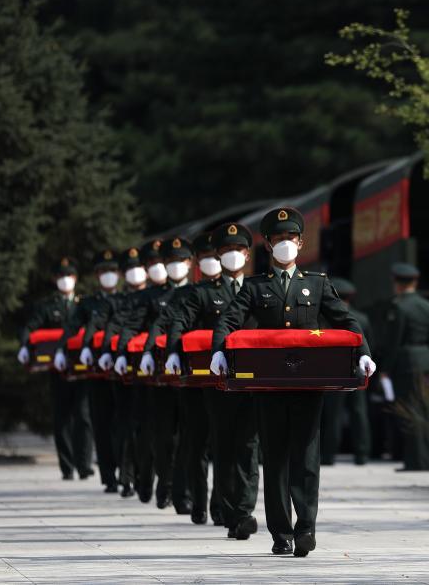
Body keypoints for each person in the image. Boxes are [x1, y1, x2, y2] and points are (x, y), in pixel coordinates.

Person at [210, 207, 376, 557]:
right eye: (278, 238)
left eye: (291, 237)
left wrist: (362, 352)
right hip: (268, 385)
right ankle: (281, 532)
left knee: (306, 457)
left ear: (301, 243)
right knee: (275, 459)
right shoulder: (255, 287)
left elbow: (346, 320)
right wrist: (219, 351)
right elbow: (229, 321)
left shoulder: (317, 283)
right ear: (269, 245)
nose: (285, 243)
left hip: (307, 383)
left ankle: (306, 528)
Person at [168, 223, 260, 538]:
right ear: (219, 256)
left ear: (247, 254)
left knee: (249, 445)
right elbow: (180, 322)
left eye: (238, 249)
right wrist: (174, 351)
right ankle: (225, 507)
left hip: (252, 379)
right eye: (226, 250)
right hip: (216, 381)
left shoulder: (257, 288)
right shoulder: (203, 292)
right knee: (221, 444)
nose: (232, 255)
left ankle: (243, 510)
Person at [17, 256, 94, 481]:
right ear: (54, 279)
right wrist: (25, 345)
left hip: (81, 369)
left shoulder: (84, 304)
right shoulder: (47, 306)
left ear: (76, 278)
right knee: (62, 418)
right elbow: (30, 327)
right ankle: (67, 467)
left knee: (83, 417)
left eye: (69, 275)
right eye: (61, 276)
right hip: (57, 369)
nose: (65, 279)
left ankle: (84, 465)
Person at [135, 237, 195, 515]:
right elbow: (154, 327)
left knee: (189, 436)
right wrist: (147, 352)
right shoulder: (155, 296)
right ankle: (165, 485)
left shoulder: (197, 292)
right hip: (161, 375)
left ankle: (183, 492)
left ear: (189, 263)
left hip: (189, 375)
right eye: (169, 261)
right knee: (163, 436)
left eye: (179, 260)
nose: (174, 266)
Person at [61, 249, 121, 493]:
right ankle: (109, 476)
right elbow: (72, 328)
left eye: (112, 270)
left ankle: (127, 470)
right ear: (97, 275)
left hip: (124, 370)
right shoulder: (87, 304)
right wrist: (63, 348)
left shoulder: (128, 299)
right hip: (97, 372)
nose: (108, 275)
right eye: (104, 271)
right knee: (100, 422)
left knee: (124, 423)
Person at [97, 246, 149, 498]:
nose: (134, 272)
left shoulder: (153, 296)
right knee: (126, 422)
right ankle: (127, 477)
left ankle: (144, 476)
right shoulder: (119, 301)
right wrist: (109, 351)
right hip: (125, 367)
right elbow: (112, 327)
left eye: (138, 267)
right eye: (129, 268)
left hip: (151, 367)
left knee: (146, 424)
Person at [380, 263, 429, 472]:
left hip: (407, 362)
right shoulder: (427, 305)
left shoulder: (399, 306)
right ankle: (425, 459)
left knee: (410, 409)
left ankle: (414, 461)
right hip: (426, 359)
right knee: (425, 408)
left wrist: (386, 368)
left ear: (397, 283)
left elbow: (394, 341)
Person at [320, 276, 372, 466]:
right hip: (358, 369)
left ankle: (328, 454)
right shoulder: (363, 318)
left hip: (335, 370)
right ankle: (362, 454)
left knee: (333, 413)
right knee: (359, 412)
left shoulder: (325, 318)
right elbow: (371, 346)